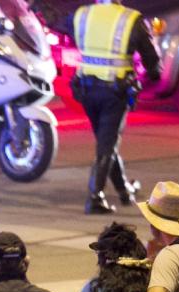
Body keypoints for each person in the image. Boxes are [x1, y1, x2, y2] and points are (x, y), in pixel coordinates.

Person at [69, 0, 160, 214]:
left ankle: (124, 190)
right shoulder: (130, 19)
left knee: (106, 141)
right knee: (107, 144)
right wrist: (152, 76)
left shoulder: (83, 14)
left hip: (86, 88)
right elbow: (151, 60)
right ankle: (95, 197)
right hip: (114, 91)